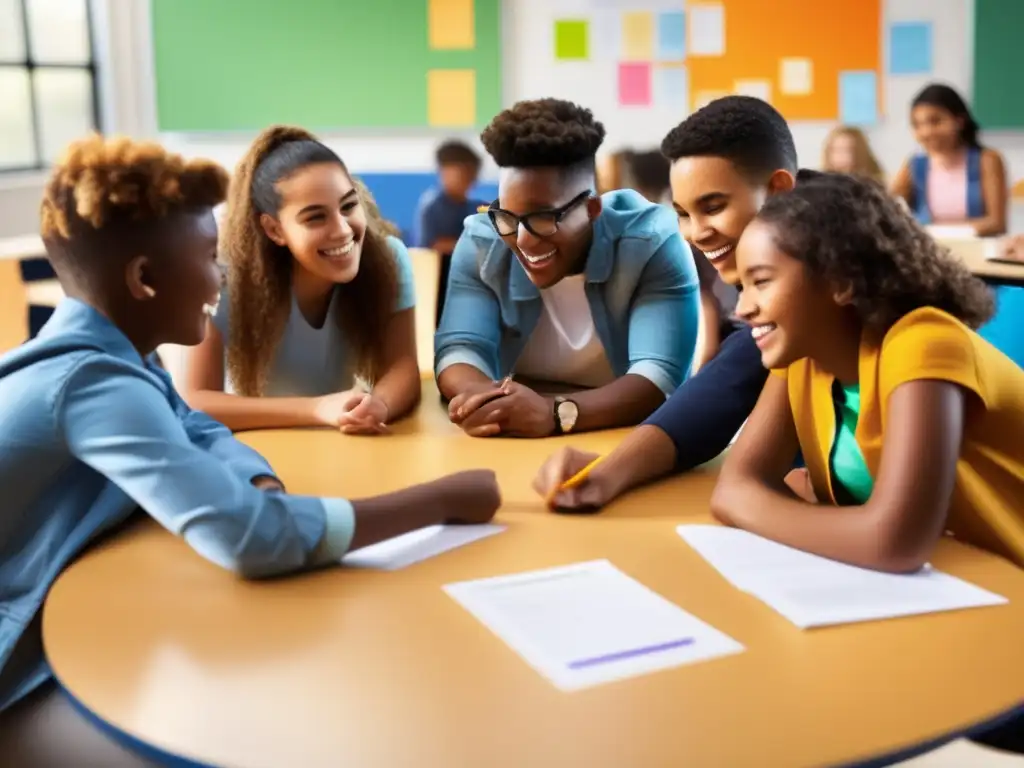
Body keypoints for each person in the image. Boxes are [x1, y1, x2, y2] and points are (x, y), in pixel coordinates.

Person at [0, 135, 501, 766]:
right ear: (144, 280)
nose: (220, 277)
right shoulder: (94, 384)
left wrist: (260, 482)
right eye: (209, 258)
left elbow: (197, 428)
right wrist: (440, 500)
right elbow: (252, 541)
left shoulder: (114, 355)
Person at [712, 171, 1023, 570]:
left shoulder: (923, 341)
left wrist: (754, 503)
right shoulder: (803, 358)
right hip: (941, 586)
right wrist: (757, 499)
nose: (741, 308)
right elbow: (733, 489)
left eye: (762, 282)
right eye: (743, 287)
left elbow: (896, 544)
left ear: (841, 281)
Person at [533, 96, 800, 510]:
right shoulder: (779, 259)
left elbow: (733, 381)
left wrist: (614, 468)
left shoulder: (819, 277)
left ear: (779, 190)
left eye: (713, 207)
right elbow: (723, 391)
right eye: (683, 213)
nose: (695, 232)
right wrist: (611, 468)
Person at [435, 98, 700, 439]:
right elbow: (460, 348)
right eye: (508, 217)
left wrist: (555, 413)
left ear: (591, 208)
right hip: (512, 440)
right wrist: (482, 401)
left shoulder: (652, 242)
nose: (523, 239)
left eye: (544, 218)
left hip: (620, 438)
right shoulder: (483, 241)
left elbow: (659, 377)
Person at [183, 126, 421, 434]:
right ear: (274, 230)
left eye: (348, 206)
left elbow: (402, 367)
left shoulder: (389, 258)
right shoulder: (223, 276)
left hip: (341, 441)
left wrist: (380, 405)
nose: (343, 230)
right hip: (259, 446)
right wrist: (317, 409)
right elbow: (195, 401)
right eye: (315, 217)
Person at [890, 83, 1008, 236]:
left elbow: (996, 223)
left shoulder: (987, 160)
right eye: (917, 125)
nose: (925, 132)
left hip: (976, 250)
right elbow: (889, 211)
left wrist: (935, 231)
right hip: (929, 253)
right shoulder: (915, 164)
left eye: (935, 121)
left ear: (959, 121)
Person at [413, 140, 486, 326]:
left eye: (472, 175)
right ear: (443, 172)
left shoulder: (475, 206)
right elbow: (432, 245)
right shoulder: (432, 206)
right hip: (440, 282)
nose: (469, 180)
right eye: (463, 174)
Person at [821, 125, 885, 183]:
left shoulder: (873, 186)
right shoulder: (823, 184)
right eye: (836, 150)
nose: (840, 157)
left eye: (847, 150)